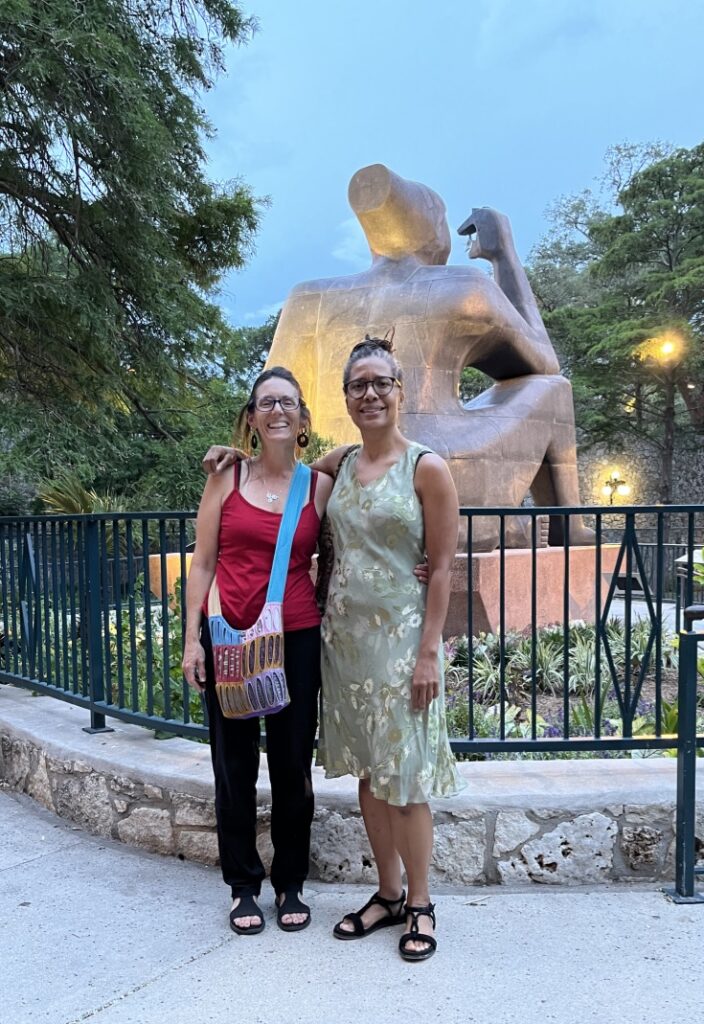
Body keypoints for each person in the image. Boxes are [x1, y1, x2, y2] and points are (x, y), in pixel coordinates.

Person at [203, 336, 463, 962]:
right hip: (342, 643)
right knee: (371, 773)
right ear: (345, 398)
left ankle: (420, 903)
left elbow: (443, 566)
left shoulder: (426, 467)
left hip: (399, 643)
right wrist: (234, 452)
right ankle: (389, 894)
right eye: (358, 386)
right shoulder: (339, 466)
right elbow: (279, 465)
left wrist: (430, 650)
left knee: (402, 775)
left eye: (381, 383)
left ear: (400, 389)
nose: (370, 394)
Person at [182, 367, 333, 935]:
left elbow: (363, 520)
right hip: (228, 635)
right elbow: (202, 562)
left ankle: (290, 881)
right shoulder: (225, 477)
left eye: (288, 403)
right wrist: (191, 639)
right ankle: (243, 885)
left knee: (292, 765)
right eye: (266, 403)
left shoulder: (319, 486)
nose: (277, 412)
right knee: (233, 764)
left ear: (303, 418)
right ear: (250, 418)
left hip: (296, 636)